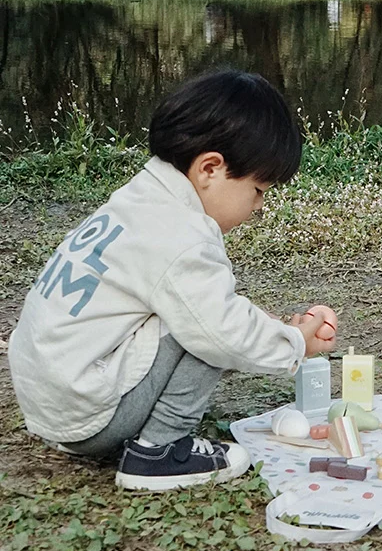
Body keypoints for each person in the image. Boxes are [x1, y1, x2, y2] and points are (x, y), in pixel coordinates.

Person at [8, 70, 336, 491]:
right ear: (210, 168)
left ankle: (108, 433)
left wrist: (272, 326)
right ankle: (159, 453)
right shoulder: (180, 233)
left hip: (53, 404)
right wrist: (295, 343)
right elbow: (218, 331)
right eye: (257, 190)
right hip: (86, 413)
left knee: (200, 312)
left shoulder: (138, 199)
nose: (259, 206)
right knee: (206, 327)